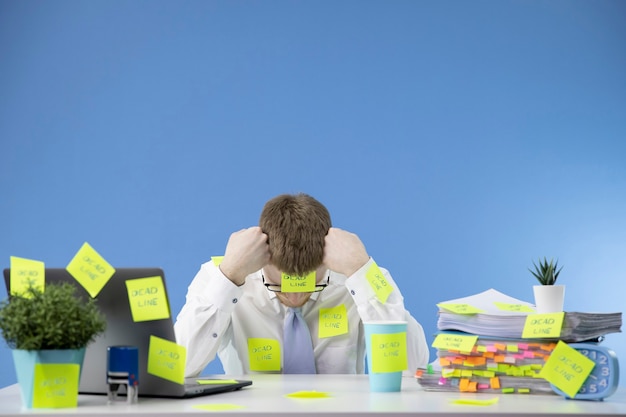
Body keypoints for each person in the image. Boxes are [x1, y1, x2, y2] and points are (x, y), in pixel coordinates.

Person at [174, 193, 429, 376]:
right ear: (263, 260)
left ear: (326, 261)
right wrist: (228, 276)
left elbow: (414, 368)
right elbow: (175, 369)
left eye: (311, 284)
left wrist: (362, 272)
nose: (295, 298)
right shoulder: (220, 277)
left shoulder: (361, 278)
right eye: (279, 285)